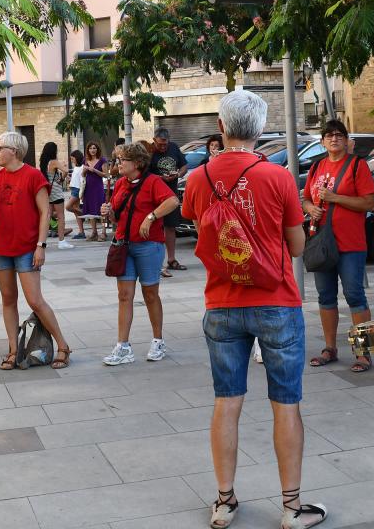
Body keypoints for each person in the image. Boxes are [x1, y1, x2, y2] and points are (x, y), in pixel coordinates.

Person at [183, 90, 325, 529]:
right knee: (287, 404)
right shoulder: (278, 177)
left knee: (227, 402)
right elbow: (297, 246)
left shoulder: (198, 178)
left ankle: (224, 503)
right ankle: (292, 508)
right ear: (261, 130)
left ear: (222, 128)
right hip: (277, 300)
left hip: (222, 302)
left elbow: (199, 231)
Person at [0, 131, 72, 370]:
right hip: (0, 245)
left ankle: (63, 346)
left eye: (0, 148)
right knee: (8, 299)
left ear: (15, 151)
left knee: (34, 300)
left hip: (27, 246)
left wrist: (41, 246)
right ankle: (13, 349)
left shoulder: (33, 176)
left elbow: (45, 212)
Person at [303, 119, 374, 373]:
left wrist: (335, 198)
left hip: (350, 243)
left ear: (346, 140)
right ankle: (330, 347)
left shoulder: (357, 166)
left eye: (339, 135)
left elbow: (368, 203)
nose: (334, 139)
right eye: (329, 135)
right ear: (322, 141)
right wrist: (309, 207)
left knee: (354, 295)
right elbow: (305, 198)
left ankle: (364, 351)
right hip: (322, 242)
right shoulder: (316, 167)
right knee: (325, 296)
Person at [100, 142, 179, 366]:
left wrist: (151, 217)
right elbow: (116, 217)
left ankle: (158, 341)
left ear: (137, 163)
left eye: (122, 160)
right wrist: (108, 213)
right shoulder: (120, 185)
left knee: (150, 294)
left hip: (148, 246)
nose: (118, 164)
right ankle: (123, 346)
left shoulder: (153, 182)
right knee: (124, 296)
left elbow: (173, 201)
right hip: (124, 246)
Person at [149, 128, 188, 276]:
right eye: (160, 145)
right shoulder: (149, 151)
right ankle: (155, 261)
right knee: (155, 226)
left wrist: (178, 174)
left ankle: (171, 260)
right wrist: (160, 178)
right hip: (154, 195)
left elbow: (184, 165)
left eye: (165, 144)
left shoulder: (174, 147)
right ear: (154, 141)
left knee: (170, 227)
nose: (163, 147)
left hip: (171, 194)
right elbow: (144, 172)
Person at [39, 142, 74, 250]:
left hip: (47, 190)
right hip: (56, 191)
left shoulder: (43, 163)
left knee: (47, 216)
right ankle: (62, 241)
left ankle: (42, 241)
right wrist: (62, 178)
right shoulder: (54, 162)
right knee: (60, 216)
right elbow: (66, 171)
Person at [82, 141, 109, 241]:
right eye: (90, 148)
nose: (92, 150)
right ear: (88, 150)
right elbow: (83, 175)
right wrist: (85, 171)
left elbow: (106, 175)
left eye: (94, 148)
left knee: (102, 210)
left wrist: (94, 170)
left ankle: (104, 232)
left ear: (97, 149)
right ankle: (94, 232)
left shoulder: (102, 160)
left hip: (98, 188)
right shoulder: (85, 160)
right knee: (90, 210)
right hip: (88, 188)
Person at [66, 149, 86, 240]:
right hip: (73, 188)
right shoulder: (76, 167)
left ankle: (84, 214)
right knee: (75, 211)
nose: (72, 160)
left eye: (72, 158)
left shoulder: (82, 167)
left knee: (68, 207)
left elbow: (82, 180)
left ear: (77, 158)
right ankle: (81, 232)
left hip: (77, 190)